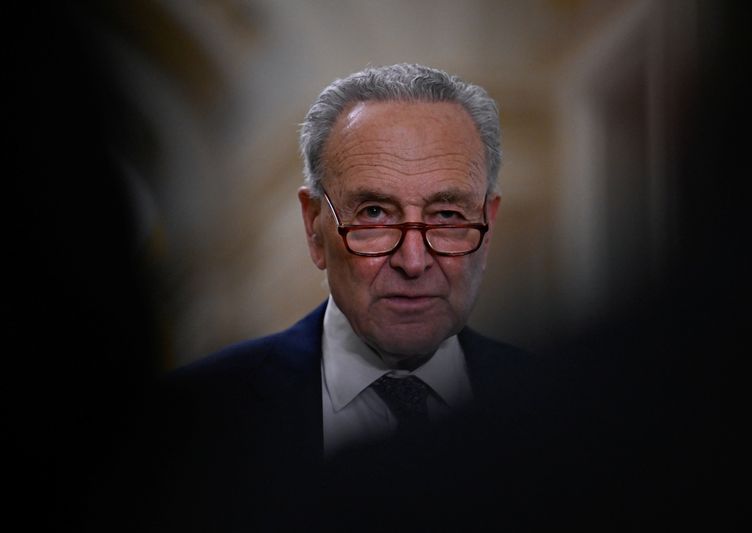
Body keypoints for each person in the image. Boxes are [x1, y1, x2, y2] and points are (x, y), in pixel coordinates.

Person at [97, 64, 574, 531]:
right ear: (313, 228)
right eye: (374, 213)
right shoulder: (188, 426)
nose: (413, 260)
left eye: (448, 216)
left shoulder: (567, 419)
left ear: (487, 226)